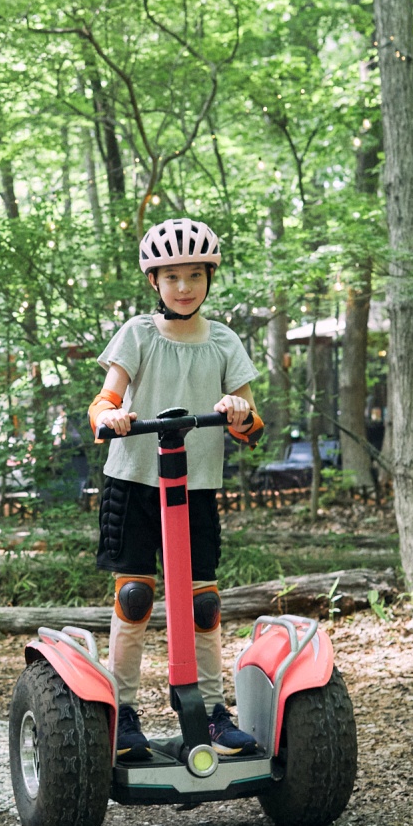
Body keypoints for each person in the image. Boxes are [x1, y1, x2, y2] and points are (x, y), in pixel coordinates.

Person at [89, 217, 266, 761]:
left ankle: (212, 712)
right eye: (172, 277)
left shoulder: (223, 341)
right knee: (135, 597)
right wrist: (112, 417)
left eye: (194, 274)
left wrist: (239, 412)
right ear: (154, 283)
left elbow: (252, 425)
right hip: (134, 481)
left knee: (204, 603)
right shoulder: (138, 334)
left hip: (197, 488)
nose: (184, 286)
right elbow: (102, 402)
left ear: (209, 278)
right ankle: (123, 713)